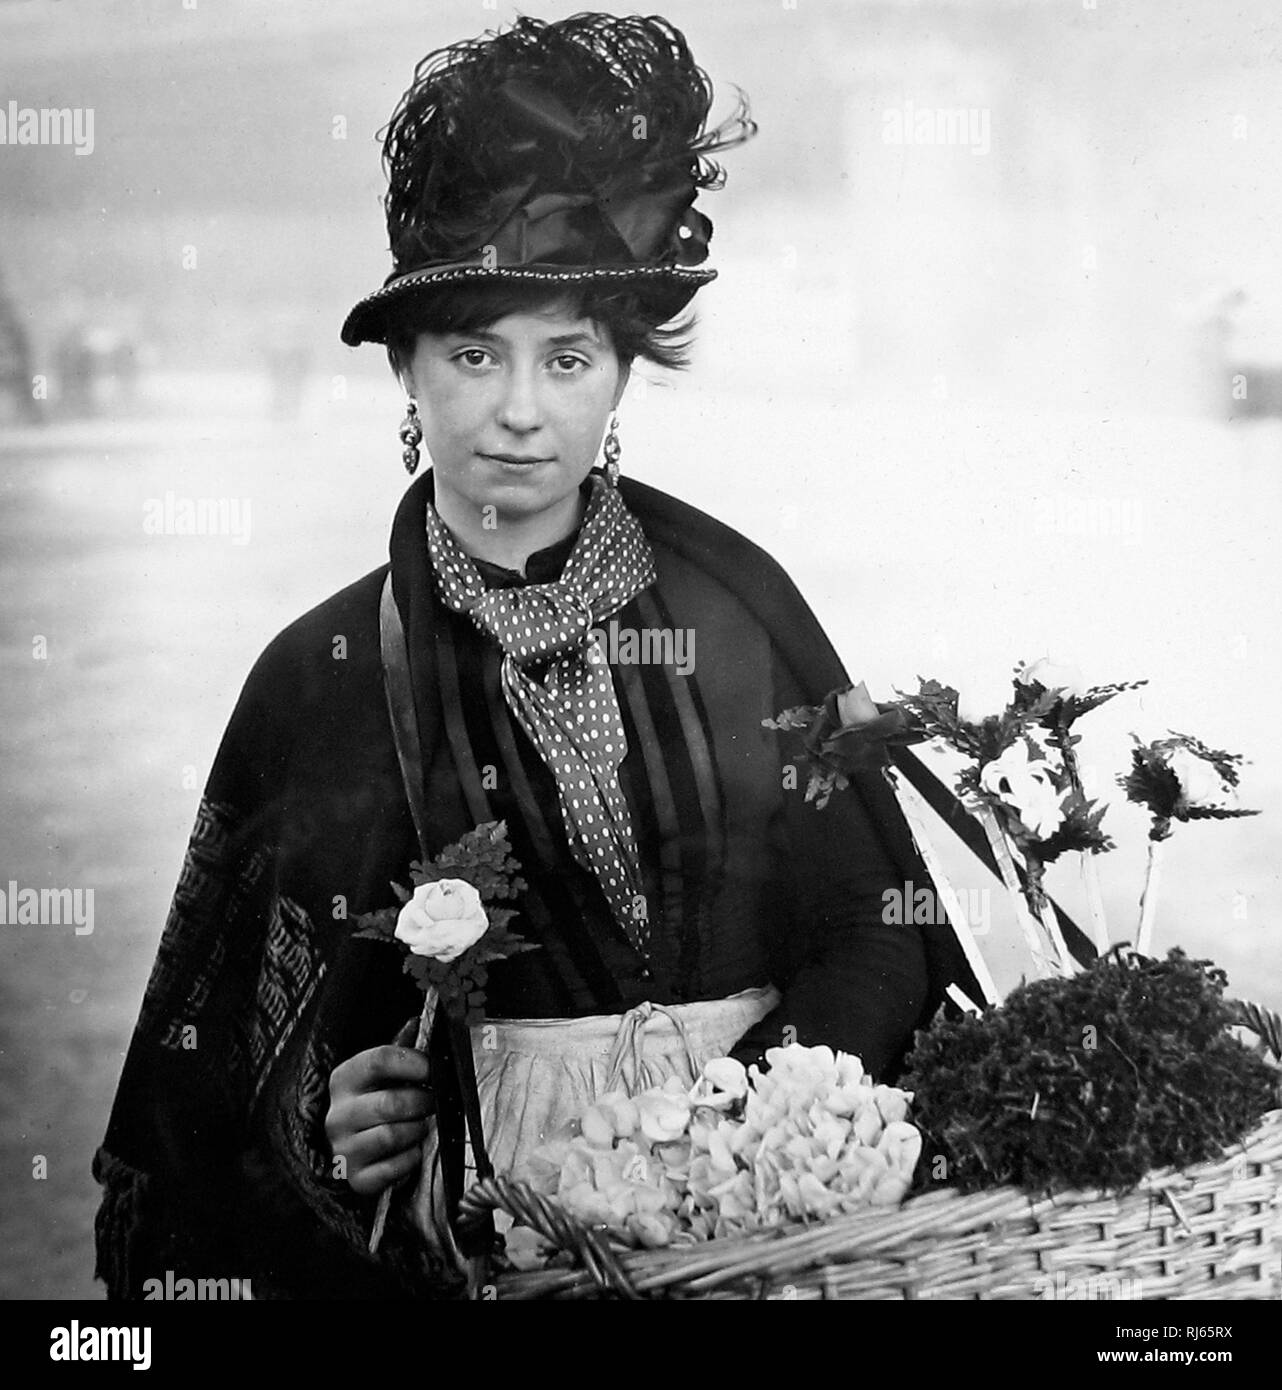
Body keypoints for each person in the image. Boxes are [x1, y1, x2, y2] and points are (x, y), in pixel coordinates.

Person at [93, 12, 980, 1300]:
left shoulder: (737, 610)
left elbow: (873, 923)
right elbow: (241, 1074)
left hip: (788, 1213)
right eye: (473, 353)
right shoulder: (324, 674)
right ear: (404, 366)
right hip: (502, 1254)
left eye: (567, 356)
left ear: (624, 372)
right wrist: (341, 1130)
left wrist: (734, 1143)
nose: (520, 409)